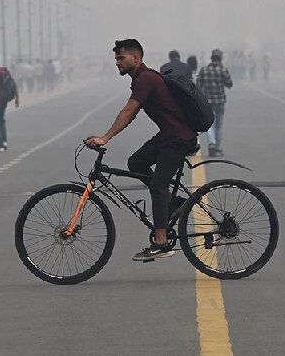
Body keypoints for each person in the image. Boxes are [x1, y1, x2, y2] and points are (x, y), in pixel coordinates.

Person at [84, 39, 198, 263]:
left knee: (158, 184)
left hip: (177, 139)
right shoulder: (142, 78)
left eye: (121, 58)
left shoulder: (146, 79)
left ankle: (161, 243)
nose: (117, 63)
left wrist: (105, 138)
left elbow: (128, 112)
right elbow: (132, 114)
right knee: (136, 163)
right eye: (116, 58)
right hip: (168, 135)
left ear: (135, 58)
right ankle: (174, 203)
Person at [197, 49, 234, 157]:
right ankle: (217, 148)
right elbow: (229, 84)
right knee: (219, 125)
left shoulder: (204, 70)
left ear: (211, 58)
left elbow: (198, 86)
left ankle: (211, 143)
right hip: (220, 101)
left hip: (208, 101)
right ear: (221, 58)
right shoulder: (223, 70)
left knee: (210, 125)